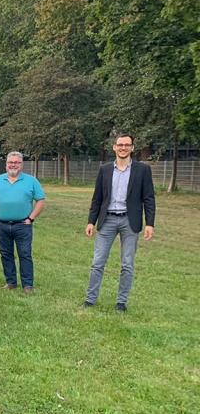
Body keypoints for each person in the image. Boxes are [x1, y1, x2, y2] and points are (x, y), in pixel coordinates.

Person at [84, 133, 156, 312]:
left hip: (129, 221)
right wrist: (91, 221)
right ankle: (90, 300)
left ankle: (121, 302)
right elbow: (97, 198)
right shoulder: (105, 169)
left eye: (127, 145)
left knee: (127, 264)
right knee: (98, 262)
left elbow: (149, 198)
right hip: (107, 220)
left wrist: (150, 223)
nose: (123, 148)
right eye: (120, 145)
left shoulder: (142, 170)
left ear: (132, 148)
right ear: (114, 147)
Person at [0, 151, 46, 293]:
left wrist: (31, 218)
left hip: (23, 225)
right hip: (1, 224)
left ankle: (28, 285)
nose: (13, 165)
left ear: (21, 164)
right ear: (6, 164)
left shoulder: (31, 181)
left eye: (16, 162)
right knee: (6, 254)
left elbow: (40, 200)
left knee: (25, 254)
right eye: (10, 162)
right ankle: (11, 282)